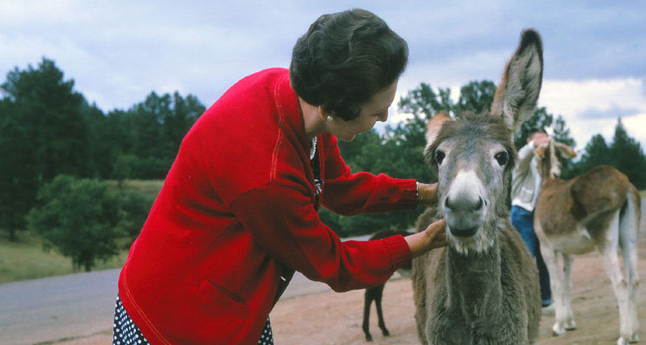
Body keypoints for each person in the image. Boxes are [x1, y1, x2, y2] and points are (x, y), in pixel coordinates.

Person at [113, 9, 447, 345]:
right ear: (332, 109)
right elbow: (334, 263)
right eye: (377, 111)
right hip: (179, 319)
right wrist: (425, 241)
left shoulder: (296, 98)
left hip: (226, 297)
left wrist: (429, 193)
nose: (387, 117)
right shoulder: (269, 177)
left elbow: (340, 188)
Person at [510, 129, 553, 309]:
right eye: (537, 138)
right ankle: (520, 302)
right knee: (525, 258)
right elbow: (523, 156)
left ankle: (546, 299)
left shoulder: (545, 162)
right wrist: (533, 145)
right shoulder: (523, 160)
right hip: (522, 213)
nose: (542, 142)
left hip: (540, 214)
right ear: (529, 140)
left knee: (544, 257)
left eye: (545, 138)